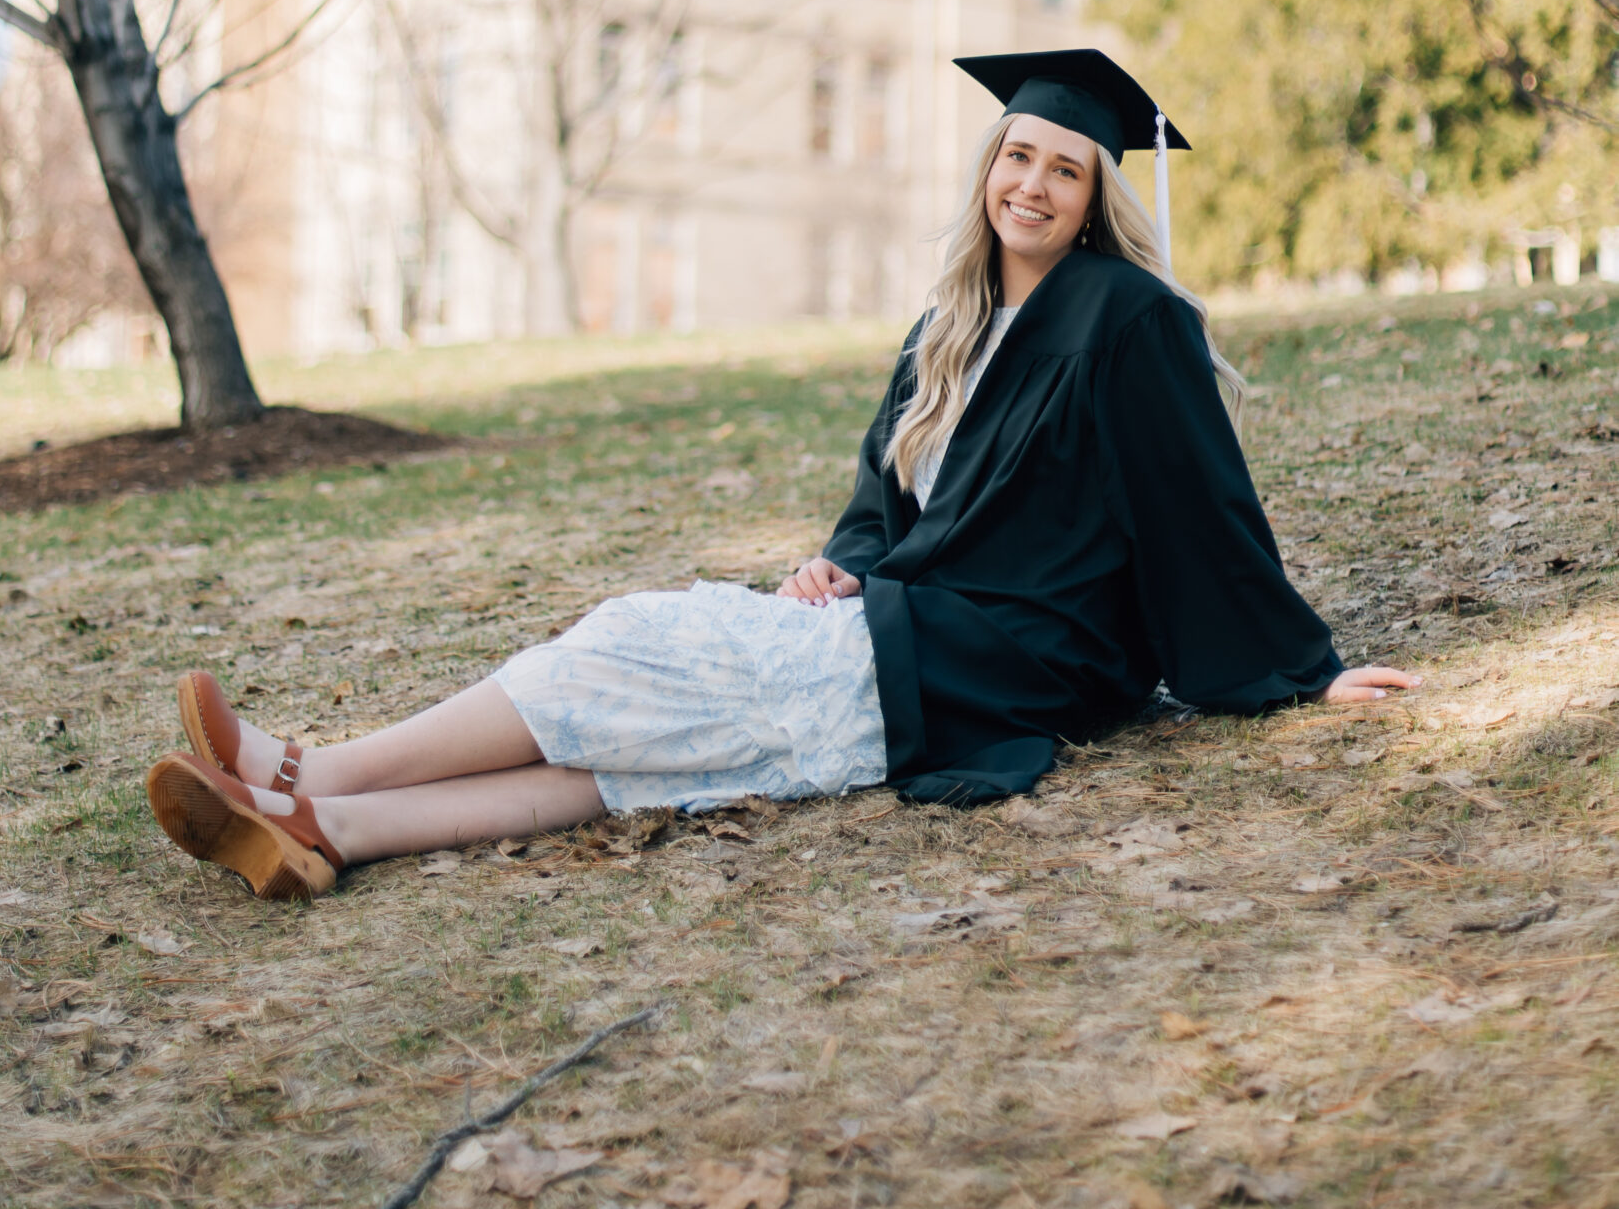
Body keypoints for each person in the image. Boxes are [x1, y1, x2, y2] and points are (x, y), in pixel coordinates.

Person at [145, 49, 1417, 901]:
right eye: (1014, 155)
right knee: (664, 747)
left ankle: (311, 773)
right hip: (906, 622)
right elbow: (883, 506)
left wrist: (1300, 673)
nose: (1030, 184)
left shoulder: (1124, 318)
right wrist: (840, 562)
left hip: (1006, 651)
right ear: (986, 170)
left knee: (641, 641)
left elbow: (1200, 506)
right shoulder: (949, 326)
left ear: (1095, 197)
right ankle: (328, 835)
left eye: (1063, 168)